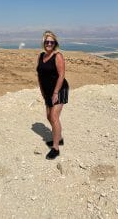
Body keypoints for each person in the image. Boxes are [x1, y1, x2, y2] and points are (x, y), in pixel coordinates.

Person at [36, 30, 69, 160]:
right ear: (43, 43)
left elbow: (61, 75)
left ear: (55, 43)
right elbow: (39, 74)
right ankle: (59, 138)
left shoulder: (58, 56)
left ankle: (55, 148)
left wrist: (56, 92)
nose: (49, 44)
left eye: (51, 42)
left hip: (59, 90)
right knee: (49, 117)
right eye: (46, 42)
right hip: (47, 90)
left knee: (54, 117)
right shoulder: (41, 56)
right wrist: (43, 91)